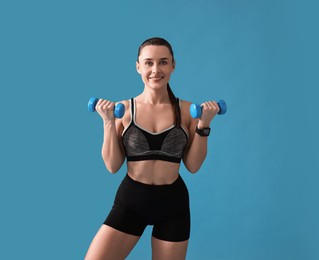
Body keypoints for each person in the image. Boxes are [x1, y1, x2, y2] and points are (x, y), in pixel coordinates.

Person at [84, 37, 219, 260]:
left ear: (173, 66)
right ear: (138, 67)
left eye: (163, 62)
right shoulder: (123, 110)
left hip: (173, 204)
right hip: (132, 202)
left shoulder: (187, 111)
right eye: (148, 63)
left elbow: (193, 166)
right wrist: (108, 122)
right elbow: (112, 165)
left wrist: (204, 125)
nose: (156, 69)